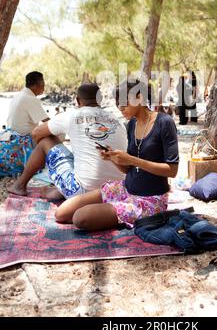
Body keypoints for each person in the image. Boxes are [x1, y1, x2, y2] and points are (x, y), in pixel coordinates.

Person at [54, 79, 179, 231]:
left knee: (80, 218)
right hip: (126, 188)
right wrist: (113, 158)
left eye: (124, 103)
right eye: (118, 104)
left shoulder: (164, 123)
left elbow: (172, 170)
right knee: (62, 213)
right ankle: (109, 210)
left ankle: (112, 212)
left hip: (149, 199)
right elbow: (128, 170)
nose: (120, 108)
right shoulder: (131, 124)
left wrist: (132, 159)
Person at [7, 83, 127, 199]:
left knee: (46, 139)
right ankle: (61, 188)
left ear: (78, 100)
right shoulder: (117, 120)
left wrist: (47, 156)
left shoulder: (72, 115)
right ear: (100, 100)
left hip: (82, 191)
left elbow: (36, 133)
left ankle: (20, 185)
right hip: (114, 191)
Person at [7, 71, 49, 136]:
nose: (44, 87)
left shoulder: (19, 95)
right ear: (37, 85)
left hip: (12, 136)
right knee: (58, 133)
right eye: (43, 83)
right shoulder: (30, 98)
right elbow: (47, 122)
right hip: (23, 140)